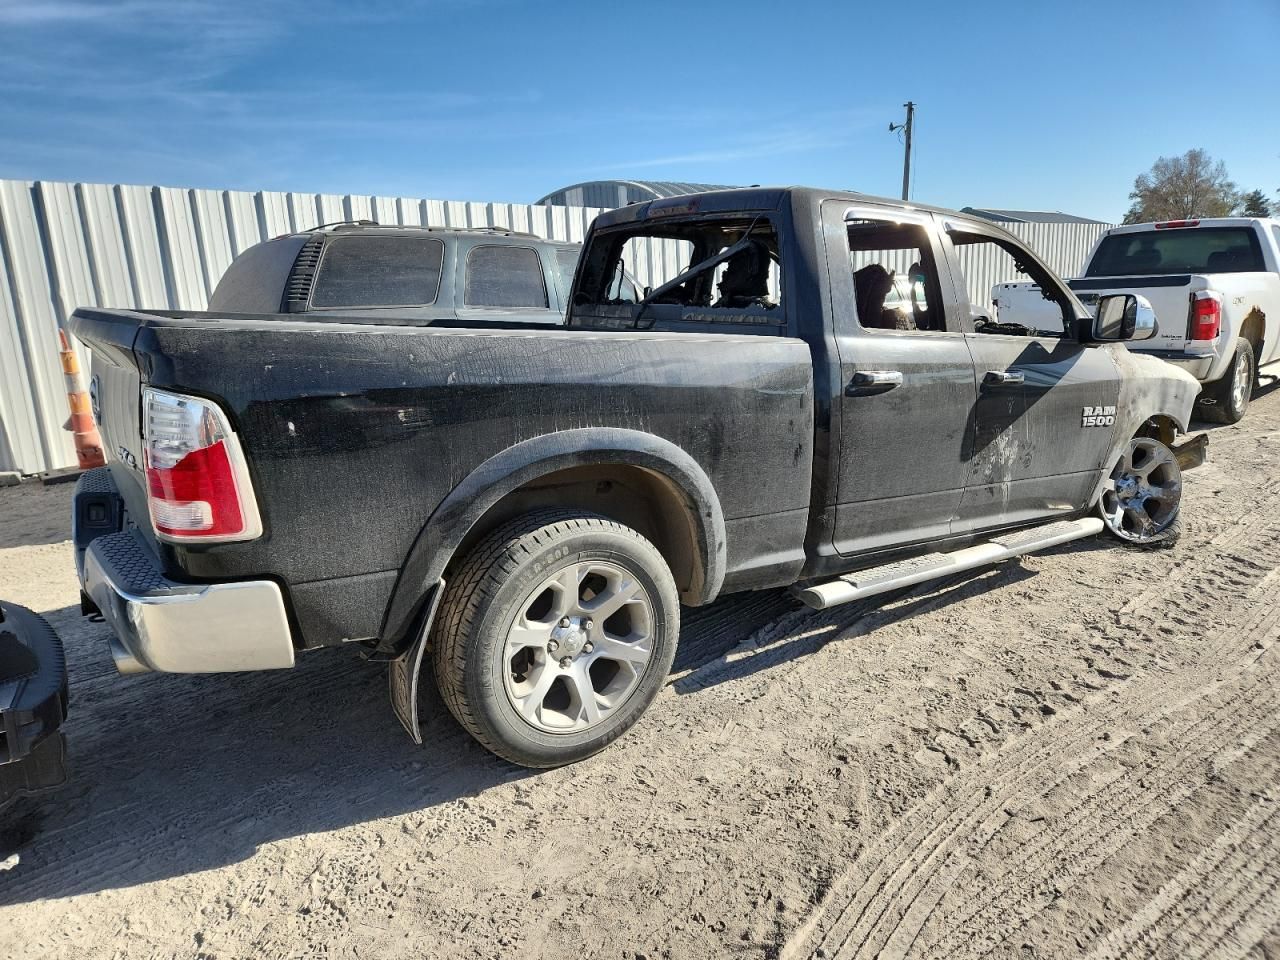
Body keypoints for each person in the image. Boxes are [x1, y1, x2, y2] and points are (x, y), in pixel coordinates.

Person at [714, 239, 773, 308]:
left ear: (750, 272)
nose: (724, 274)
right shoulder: (764, 308)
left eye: (732, 270)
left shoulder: (728, 311)